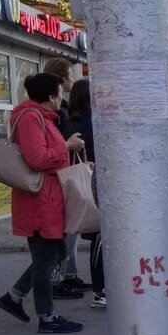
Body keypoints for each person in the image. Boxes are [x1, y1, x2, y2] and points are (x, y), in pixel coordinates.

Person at [0, 73, 86, 334]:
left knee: (55, 253)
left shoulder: (40, 117)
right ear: (50, 96)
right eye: (59, 92)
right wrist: (67, 146)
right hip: (39, 199)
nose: (62, 97)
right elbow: (37, 159)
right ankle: (46, 316)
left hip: (46, 196)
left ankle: (14, 296)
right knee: (47, 257)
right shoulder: (32, 118)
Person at [43, 57, 88, 298]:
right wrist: (70, 145)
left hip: (63, 176)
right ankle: (55, 282)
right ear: (59, 83)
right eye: (69, 76)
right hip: (59, 179)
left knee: (69, 232)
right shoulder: (55, 114)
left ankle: (66, 275)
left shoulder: (62, 111)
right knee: (62, 235)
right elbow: (50, 150)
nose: (72, 81)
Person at [63, 79, 105, 309]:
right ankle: (102, 290)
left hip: (78, 182)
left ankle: (99, 289)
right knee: (101, 235)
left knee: (92, 236)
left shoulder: (70, 122)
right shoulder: (95, 121)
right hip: (97, 180)